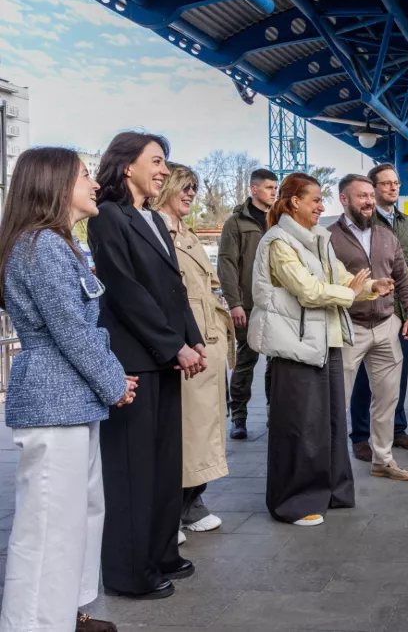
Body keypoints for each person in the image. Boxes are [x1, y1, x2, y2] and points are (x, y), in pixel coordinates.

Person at [0, 148, 136, 632]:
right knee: (49, 524)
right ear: (55, 184)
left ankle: (67, 613)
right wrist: (114, 381)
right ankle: (35, 624)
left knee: (79, 512)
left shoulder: (54, 244)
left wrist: (110, 380)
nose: (94, 183)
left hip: (71, 398)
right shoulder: (41, 246)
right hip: (53, 399)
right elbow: (69, 329)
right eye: (84, 175)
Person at [88, 132, 206, 600]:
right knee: (132, 471)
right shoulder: (107, 218)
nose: (163, 169)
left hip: (164, 357)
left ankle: (160, 554)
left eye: (164, 162)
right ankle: (127, 572)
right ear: (126, 166)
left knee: (162, 464)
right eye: (155, 161)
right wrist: (172, 345)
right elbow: (124, 289)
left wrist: (192, 339)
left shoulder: (155, 219)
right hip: (134, 360)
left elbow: (173, 289)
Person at [248, 173, 392, 526]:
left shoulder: (317, 239)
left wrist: (371, 285)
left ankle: (329, 490)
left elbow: (341, 277)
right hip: (295, 344)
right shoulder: (279, 242)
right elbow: (309, 290)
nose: (320, 207)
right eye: (315, 200)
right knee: (300, 426)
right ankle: (294, 502)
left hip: (324, 341)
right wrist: (352, 293)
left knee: (328, 423)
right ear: (295, 202)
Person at [152, 163, 235, 531]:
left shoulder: (184, 233)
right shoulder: (156, 230)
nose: (190, 194)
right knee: (188, 430)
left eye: (194, 188)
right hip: (187, 344)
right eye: (184, 186)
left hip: (207, 342)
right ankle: (176, 508)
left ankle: (191, 500)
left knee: (205, 427)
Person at [330, 173, 408, 480]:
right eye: (362, 196)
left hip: (385, 326)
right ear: (344, 200)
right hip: (348, 328)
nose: (369, 202)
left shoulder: (386, 236)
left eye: (371, 195)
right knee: (336, 399)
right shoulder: (329, 237)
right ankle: (330, 464)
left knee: (387, 398)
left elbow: (404, 277)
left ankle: (383, 460)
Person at [218, 168, 277, 440]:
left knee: (276, 362)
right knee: (246, 360)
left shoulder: (280, 220)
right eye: (268, 188)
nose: (273, 193)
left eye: (275, 189)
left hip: (277, 304)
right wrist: (235, 303)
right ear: (254, 189)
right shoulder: (236, 222)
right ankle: (238, 417)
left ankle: (274, 414)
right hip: (249, 304)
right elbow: (227, 264)